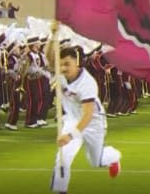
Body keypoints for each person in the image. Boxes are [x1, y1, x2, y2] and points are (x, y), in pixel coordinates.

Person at [48, 45, 121, 193]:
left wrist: (70, 136)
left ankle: (113, 157)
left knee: (96, 161)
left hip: (93, 122)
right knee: (63, 157)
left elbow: (87, 115)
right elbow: (49, 58)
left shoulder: (87, 83)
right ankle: (60, 190)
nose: (63, 68)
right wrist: (52, 38)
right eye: (61, 64)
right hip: (72, 119)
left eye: (67, 64)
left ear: (76, 62)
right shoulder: (60, 74)